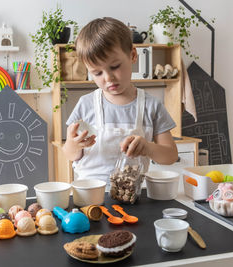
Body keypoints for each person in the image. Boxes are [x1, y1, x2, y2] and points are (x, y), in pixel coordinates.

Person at [62, 17, 178, 183]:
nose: (108, 78)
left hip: (131, 195)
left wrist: (148, 147)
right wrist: (74, 145)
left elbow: (171, 156)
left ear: (132, 55)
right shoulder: (85, 104)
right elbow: (69, 154)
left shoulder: (151, 106)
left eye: (115, 66)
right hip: (91, 194)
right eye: (97, 73)